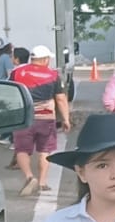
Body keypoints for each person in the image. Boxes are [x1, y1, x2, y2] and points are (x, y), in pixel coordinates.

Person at [11, 44, 72, 196]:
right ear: (45, 60)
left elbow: (9, 93)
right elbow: (61, 99)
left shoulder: (16, 73)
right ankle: (42, 182)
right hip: (46, 119)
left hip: (23, 118)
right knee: (45, 150)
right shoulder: (53, 75)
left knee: (22, 150)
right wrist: (66, 119)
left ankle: (29, 177)